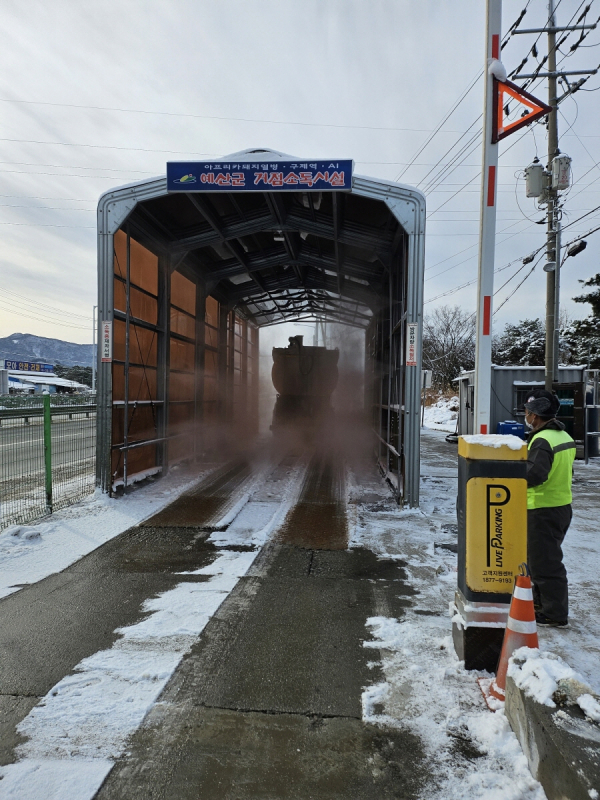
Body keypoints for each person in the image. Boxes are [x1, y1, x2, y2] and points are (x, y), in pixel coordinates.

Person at [524, 389, 576, 628]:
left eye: (528, 412)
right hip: (560, 506)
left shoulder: (543, 440)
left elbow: (535, 475)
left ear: (536, 415)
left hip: (542, 509)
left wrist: (512, 474)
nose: (527, 415)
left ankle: (554, 613)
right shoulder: (563, 436)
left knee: (545, 564)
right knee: (539, 561)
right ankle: (540, 605)